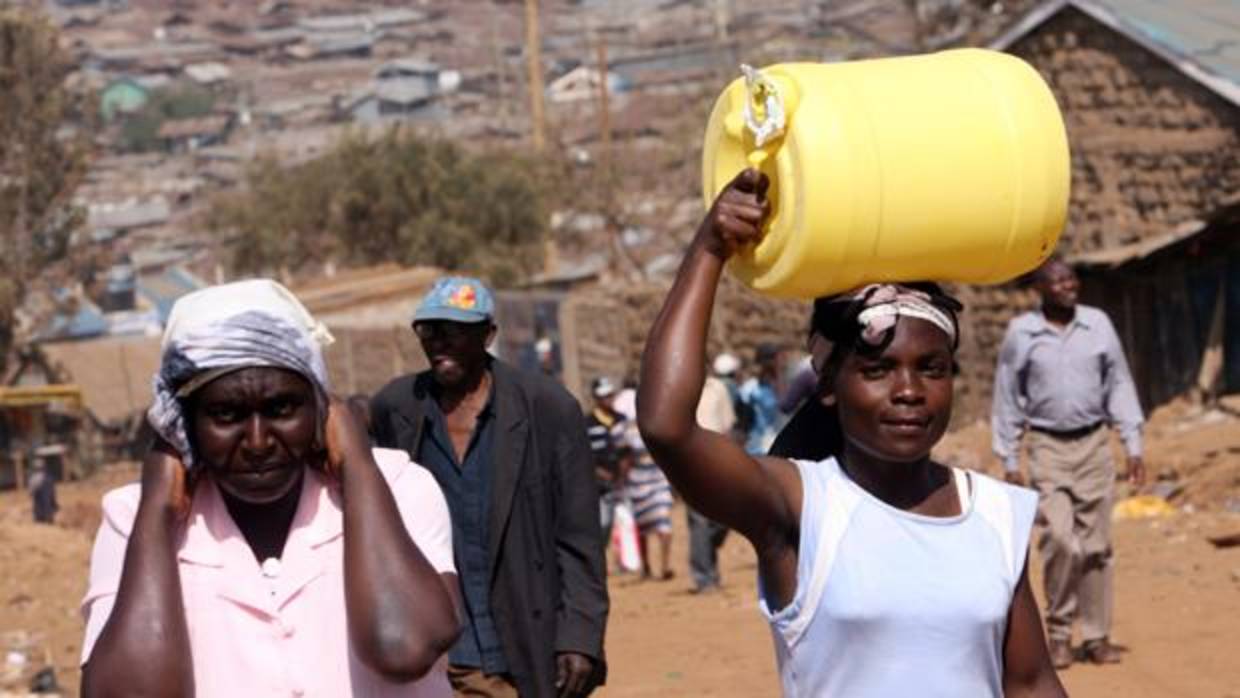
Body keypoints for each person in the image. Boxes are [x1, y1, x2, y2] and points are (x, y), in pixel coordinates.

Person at [637, 169, 1066, 697]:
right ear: (829, 385)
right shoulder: (800, 507)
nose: (909, 390)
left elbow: (1031, 683)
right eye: (877, 370)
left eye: (931, 368)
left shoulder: (998, 515)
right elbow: (666, 426)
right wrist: (710, 249)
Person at [80, 279, 461, 698]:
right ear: (183, 423)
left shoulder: (399, 487)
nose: (258, 442)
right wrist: (156, 512)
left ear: (320, 408)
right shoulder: (133, 518)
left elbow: (403, 646)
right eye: (226, 415)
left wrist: (357, 466)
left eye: (282, 409)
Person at [370, 276, 607, 698]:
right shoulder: (397, 408)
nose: (440, 343)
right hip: (437, 654)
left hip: (523, 642)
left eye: (455, 331)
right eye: (429, 331)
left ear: (488, 334)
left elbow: (579, 538)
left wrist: (580, 636)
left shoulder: (547, 408)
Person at [992, 255, 1147, 669]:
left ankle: (1096, 637)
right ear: (1039, 288)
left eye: (1071, 278)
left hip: (1094, 444)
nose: (1068, 285)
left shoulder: (1097, 324)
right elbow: (1006, 396)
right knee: (1060, 539)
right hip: (1046, 447)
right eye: (1057, 280)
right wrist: (1009, 457)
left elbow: (1119, 382)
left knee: (1096, 546)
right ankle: (1059, 633)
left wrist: (1132, 443)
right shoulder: (1021, 334)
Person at [686, 357, 738, 593]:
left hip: (717, 456)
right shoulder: (682, 388)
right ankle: (704, 578)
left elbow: (727, 426)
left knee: (722, 518)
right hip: (689, 459)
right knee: (698, 520)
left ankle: (708, 561)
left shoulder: (718, 389)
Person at [586, 377, 631, 553]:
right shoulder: (587, 423)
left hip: (622, 481)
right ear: (595, 398)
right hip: (599, 485)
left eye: (610, 395)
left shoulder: (622, 420)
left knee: (626, 523)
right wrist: (600, 474)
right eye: (603, 396)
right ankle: (598, 557)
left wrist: (622, 475)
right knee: (603, 523)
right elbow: (585, 456)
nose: (608, 399)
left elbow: (627, 451)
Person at [737, 343, 781, 453]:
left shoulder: (786, 387)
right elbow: (743, 423)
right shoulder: (749, 389)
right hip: (757, 447)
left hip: (778, 445)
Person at [28, 456, 58, 524]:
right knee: (48, 504)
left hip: (40, 494)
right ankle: (49, 518)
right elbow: (53, 488)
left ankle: (41, 519)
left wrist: (30, 493)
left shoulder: (34, 477)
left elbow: (32, 486)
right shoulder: (48, 476)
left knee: (39, 506)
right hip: (48, 493)